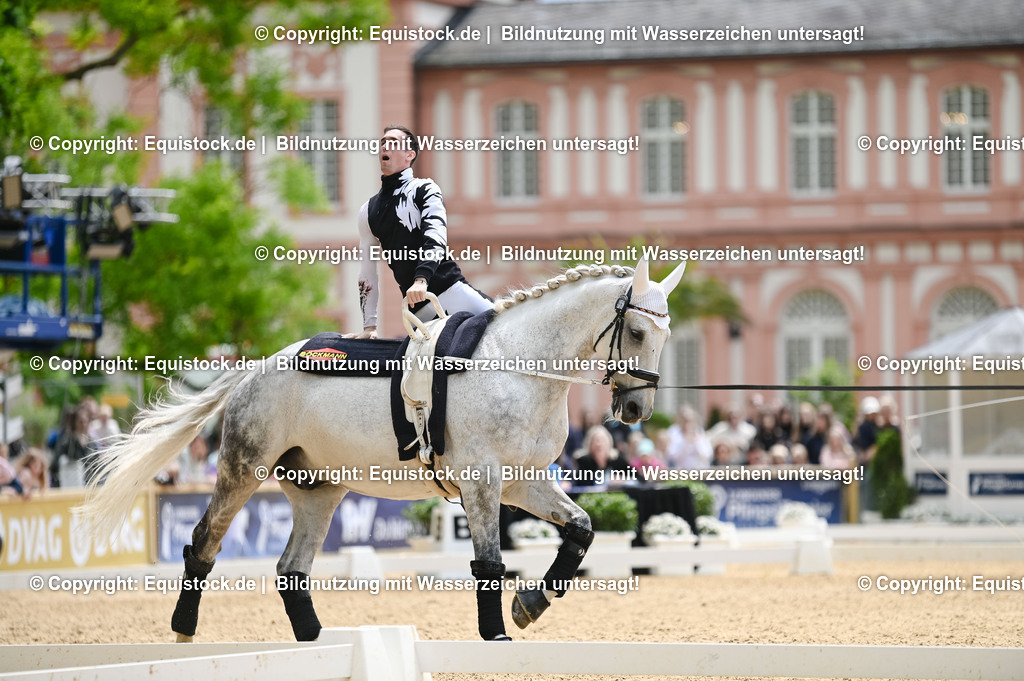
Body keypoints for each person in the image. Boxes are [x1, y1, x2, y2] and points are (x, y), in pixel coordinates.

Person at [350, 125, 492, 337]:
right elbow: (367, 273)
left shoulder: (425, 188)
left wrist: (421, 280)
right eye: (383, 143)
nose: (385, 147)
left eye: (393, 142)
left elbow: (435, 236)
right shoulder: (367, 211)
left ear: (410, 155)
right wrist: (369, 327)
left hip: (452, 291)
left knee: (510, 327)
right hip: (419, 312)